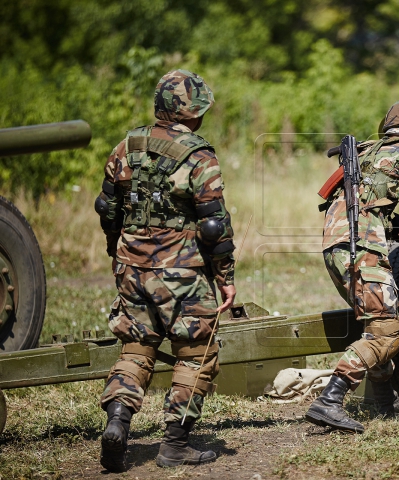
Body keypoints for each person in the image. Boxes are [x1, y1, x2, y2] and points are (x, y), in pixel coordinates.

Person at [94, 69, 236, 471]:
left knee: (137, 349)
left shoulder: (126, 146)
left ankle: (119, 421)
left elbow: (108, 211)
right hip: (181, 274)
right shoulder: (199, 156)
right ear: (195, 113)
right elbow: (214, 225)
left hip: (131, 269)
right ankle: (174, 445)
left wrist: (118, 256)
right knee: (196, 355)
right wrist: (225, 279)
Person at [306, 99, 399, 433]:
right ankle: (330, 400)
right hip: (362, 247)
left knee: (376, 323)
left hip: (334, 245)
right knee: (386, 334)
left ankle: (384, 401)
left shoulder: (366, 152)